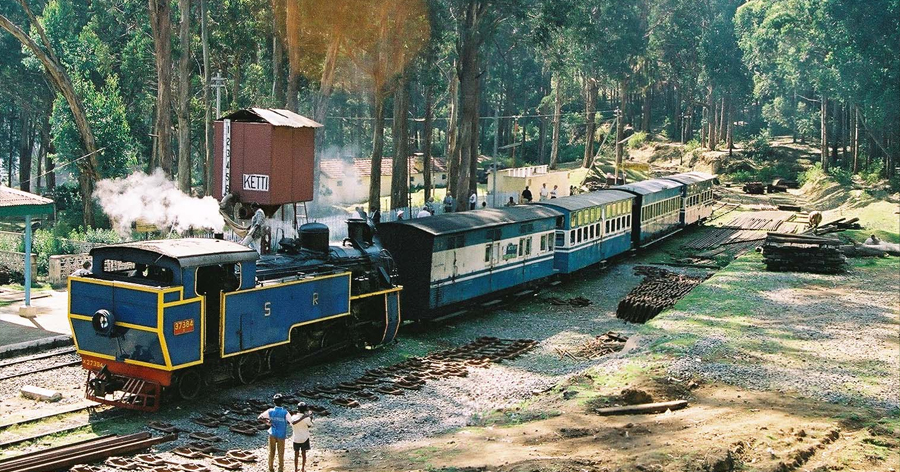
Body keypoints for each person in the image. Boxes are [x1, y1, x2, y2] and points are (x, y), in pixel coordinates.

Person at [258, 394, 292, 472]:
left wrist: (267, 422)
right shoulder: (285, 412)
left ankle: (270, 468)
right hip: (281, 434)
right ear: (282, 402)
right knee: (281, 453)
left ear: (274, 402)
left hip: (272, 433)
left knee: (271, 452)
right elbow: (291, 422)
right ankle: (280, 469)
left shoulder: (270, 411)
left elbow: (259, 418)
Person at [291, 402, 314, 472]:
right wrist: (310, 417)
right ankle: (303, 468)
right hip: (304, 438)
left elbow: (292, 424)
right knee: (303, 453)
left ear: (297, 409)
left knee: (296, 454)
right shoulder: (306, 418)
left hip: (296, 438)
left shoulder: (293, 417)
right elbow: (310, 425)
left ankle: (295, 469)